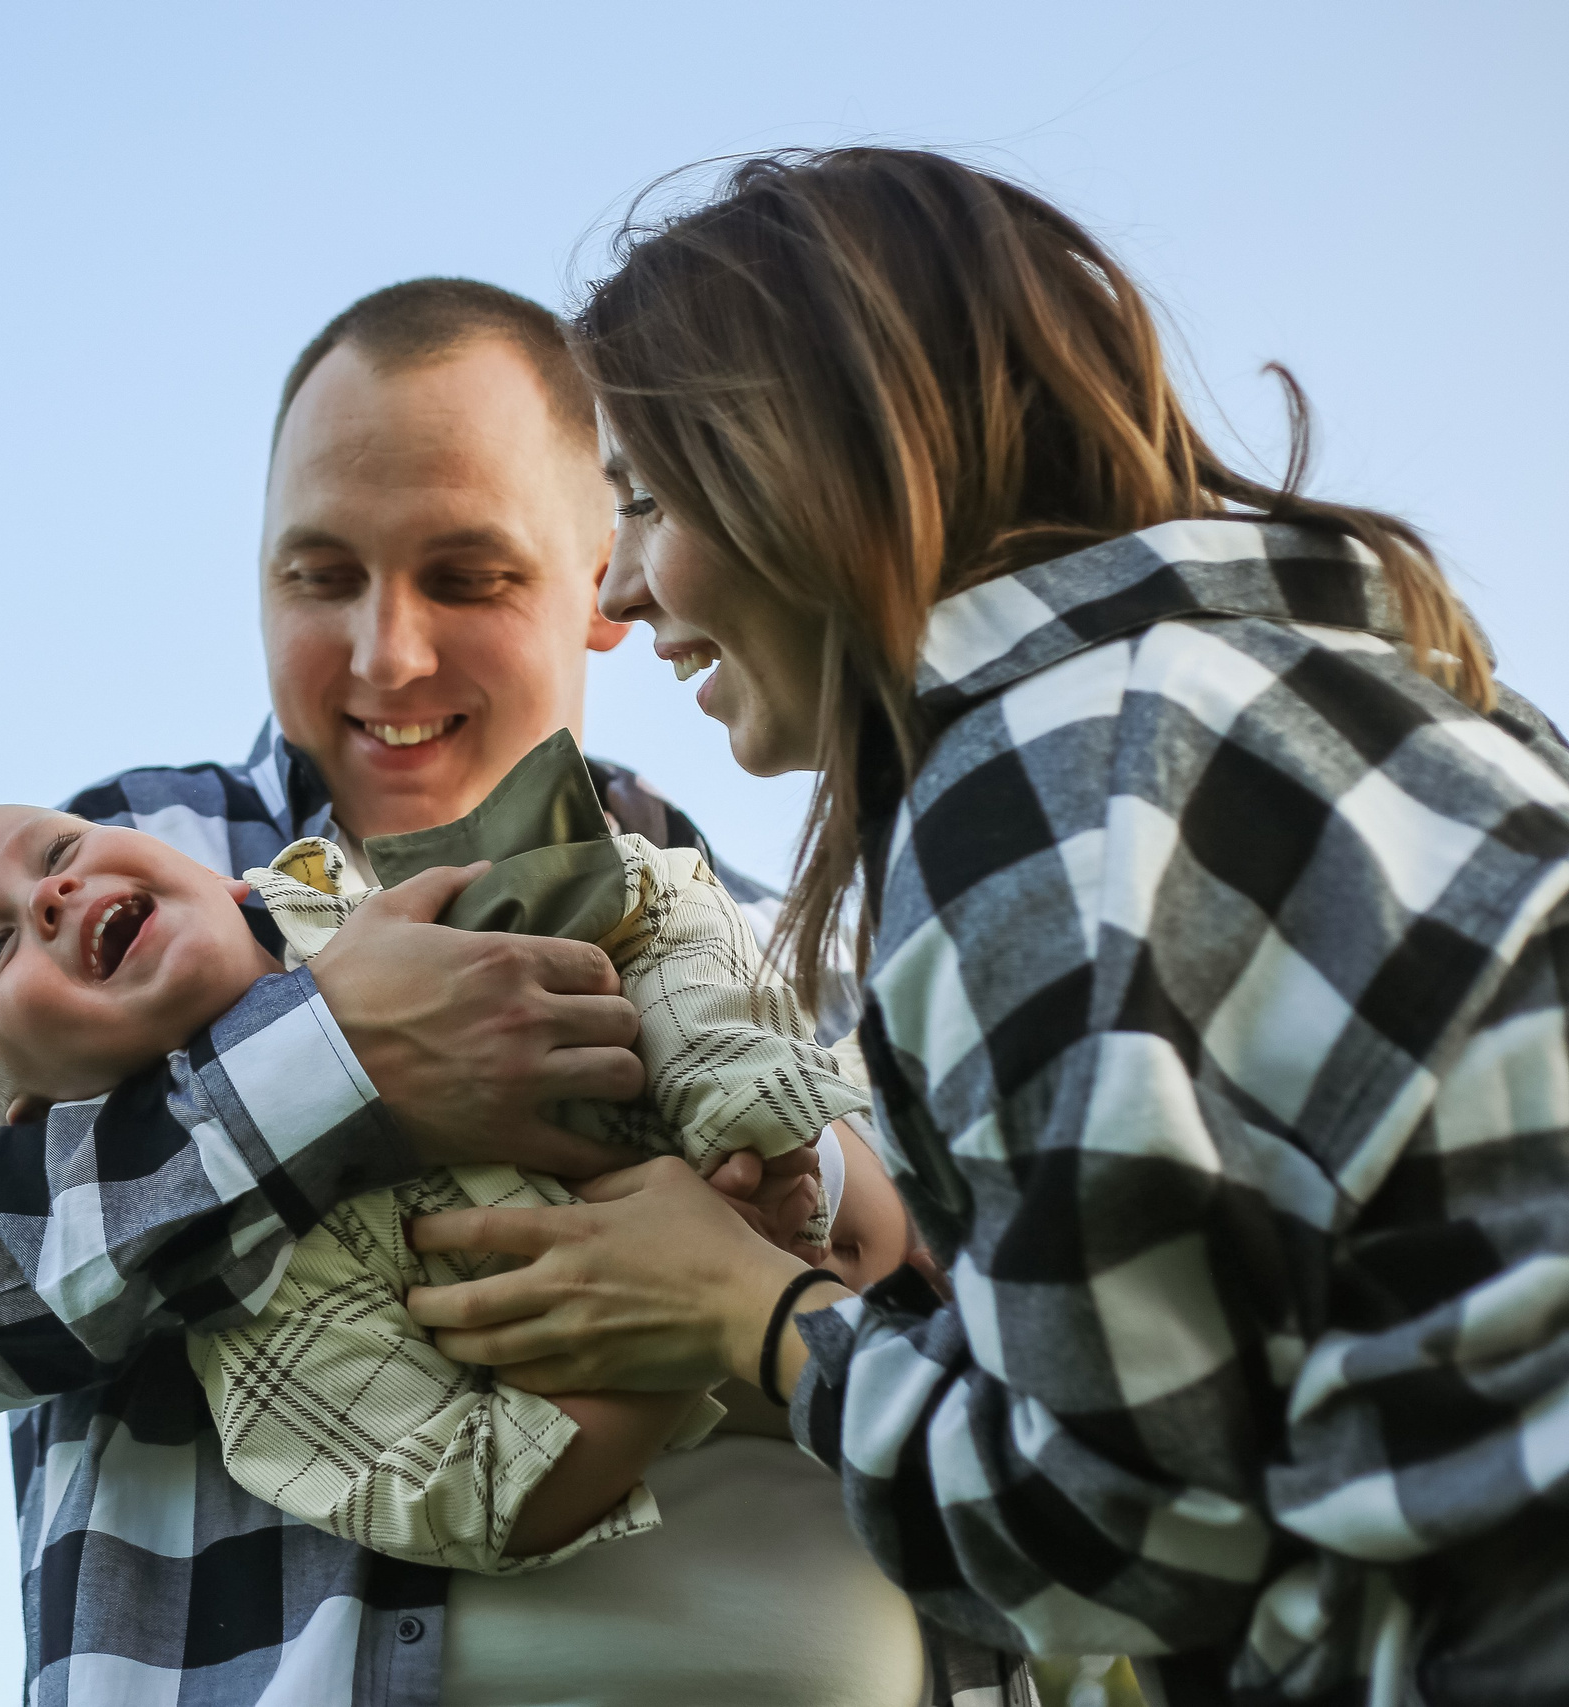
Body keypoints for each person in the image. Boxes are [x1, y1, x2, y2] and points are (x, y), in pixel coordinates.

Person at [401, 149, 1569, 1705]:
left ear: (811, 459)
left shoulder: (1044, 787)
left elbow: (1119, 1529)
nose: (617, 585)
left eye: (652, 500)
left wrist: (756, 1317)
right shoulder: (1394, 707)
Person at [0, 280, 987, 1707]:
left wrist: (815, 1237)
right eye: (319, 576)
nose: (387, 654)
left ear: (604, 578)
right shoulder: (137, 867)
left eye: (465, 575)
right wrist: (334, 1059)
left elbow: (1041, 1410)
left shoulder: (775, 932)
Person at [0, 730, 888, 1577]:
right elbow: (464, 1491)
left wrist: (744, 1113)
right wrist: (685, 1318)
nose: (49, 897)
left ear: (224, 880)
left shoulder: (420, 916)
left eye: (58, 854)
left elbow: (659, 898)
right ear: (36, 1117)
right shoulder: (258, 1317)